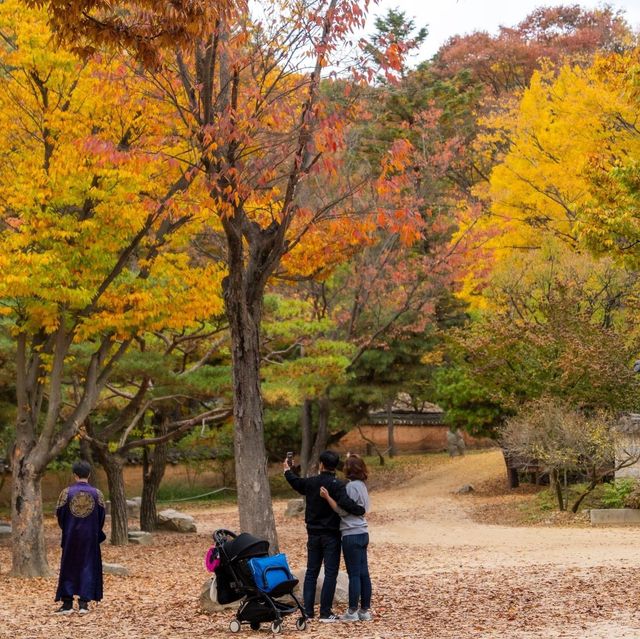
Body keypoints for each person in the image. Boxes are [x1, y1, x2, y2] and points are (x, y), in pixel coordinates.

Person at [284, 450, 366, 622]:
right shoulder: (338, 485)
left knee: (311, 572)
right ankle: (325, 612)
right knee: (330, 573)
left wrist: (287, 470)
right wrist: (360, 510)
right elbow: (346, 504)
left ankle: (307, 612)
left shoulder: (312, 483)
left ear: (321, 465)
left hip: (313, 534)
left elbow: (296, 483)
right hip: (331, 535)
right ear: (335, 466)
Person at [320, 454, 372, 622]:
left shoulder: (350, 487)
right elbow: (364, 509)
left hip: (351, 534)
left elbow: (342, 511)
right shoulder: (363, 486)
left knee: (354, 574)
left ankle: (352, 611)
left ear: (348, 470)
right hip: (363, 533)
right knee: (364, 573)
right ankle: (365, 610)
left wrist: (328, 498)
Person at [54, 460, 106, 614]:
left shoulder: (66, 493)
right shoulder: (97, 494)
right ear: (89, 474)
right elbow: (101, 517)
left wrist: (69, 528)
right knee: (88, 566)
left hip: (71, 536)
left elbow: (60, 515)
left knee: (69, 566)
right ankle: (84, 603)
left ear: (74, 475)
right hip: (90, 537)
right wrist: (94, 530)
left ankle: (67, 604)